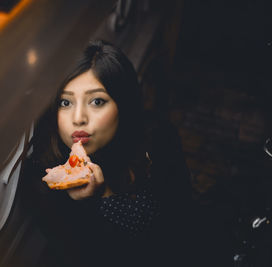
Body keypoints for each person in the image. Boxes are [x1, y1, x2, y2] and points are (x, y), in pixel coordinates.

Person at [20, 40, 197, 267]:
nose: (78, 118)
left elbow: (183, 221)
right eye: (65, 102)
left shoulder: (158, 138)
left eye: (96, 101)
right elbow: (87, 258)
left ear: (122, 105)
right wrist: (88, 204)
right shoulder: (43, 181)